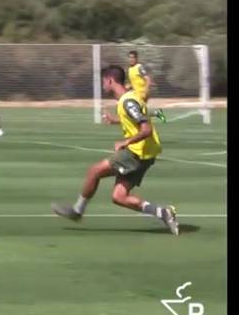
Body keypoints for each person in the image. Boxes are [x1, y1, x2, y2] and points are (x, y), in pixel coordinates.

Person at [51, 65, 179, 235]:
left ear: (110, 80)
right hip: (147, 154)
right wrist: (115, 120)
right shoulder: (129, 99)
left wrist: (126, 142)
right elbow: (139, 117)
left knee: (94, 171)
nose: (103, 85)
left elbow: (146, 129)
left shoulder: (128, 101)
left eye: (103, 81)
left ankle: (77, 211)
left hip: (136, 152)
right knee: (119, 197)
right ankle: (163, 212)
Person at [126, 50, 166, 123]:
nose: (131, 59)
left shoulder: (139, 67)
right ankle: (156, 113)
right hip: (135, 94)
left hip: (142, 93)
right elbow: (135, 81)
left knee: (136, 114)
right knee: (139, 114)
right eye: (130, 57)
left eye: (133, 57)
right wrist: (128, 86)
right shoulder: (129, 69)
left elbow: (148, 79)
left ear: (136, 58)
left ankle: (154, 116)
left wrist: (145, 91)